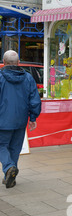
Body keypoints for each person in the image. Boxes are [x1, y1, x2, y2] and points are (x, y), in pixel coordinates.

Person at [0, 50, 41, 188]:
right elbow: (34, 100)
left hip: (2, 120)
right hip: (20, 119)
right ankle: (10, 176)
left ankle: (8, 168)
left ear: (3, 63)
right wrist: (33, 117)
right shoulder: (28, 78)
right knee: (15, 148)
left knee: (1, 145)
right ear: (18, 63)